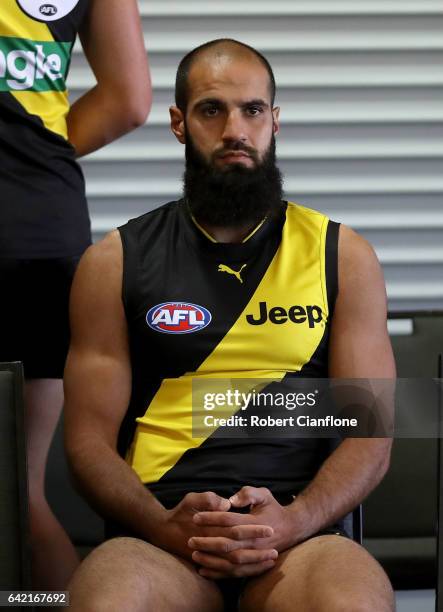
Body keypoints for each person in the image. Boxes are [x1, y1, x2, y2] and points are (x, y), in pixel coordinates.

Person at [64, 39, 395, 611]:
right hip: (160, 540)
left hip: (299, 539)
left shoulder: (344, 256)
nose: (235, 129)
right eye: (212, 110)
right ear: (178, 123)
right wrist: (164, 524)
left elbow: (373, 433)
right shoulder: (113, 262)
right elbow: (87, 441)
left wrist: (293, 521)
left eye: (253, 110)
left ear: (275, 122)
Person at [0, 0, 151, 592]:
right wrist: (35, 152)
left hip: (35, 240)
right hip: (41, 225)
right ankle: (44, 604)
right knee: (18, 493)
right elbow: (130, 98)